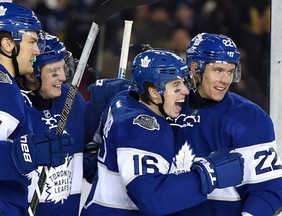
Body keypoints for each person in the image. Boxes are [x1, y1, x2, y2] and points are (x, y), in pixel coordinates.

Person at [81, 49, 244, 215]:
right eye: (176, 86)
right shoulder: (143, 128)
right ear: (153, 91)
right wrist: (207, 175)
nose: (186, 91)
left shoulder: (123, 98)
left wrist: (94, 146)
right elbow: (152, 199)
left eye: (184, 82)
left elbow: (98, 124)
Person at [170, 32, 282, 216]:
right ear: (194, 68)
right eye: (218, 70)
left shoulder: (250, 118)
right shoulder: (168, 109)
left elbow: (266, 190)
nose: (225, 80)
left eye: (230, 71)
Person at [0, 2, 72, 216]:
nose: (37, 50)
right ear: (7, 43)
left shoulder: (8, 85)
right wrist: (21, 154)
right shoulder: (3, 89)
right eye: (31, 41)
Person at [20, 33, 86, 216]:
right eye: (54, 72)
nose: (63, 77)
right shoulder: (14, 108)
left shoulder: (72, 100)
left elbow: (90, 146)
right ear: (31, 75)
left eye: (64, 69)